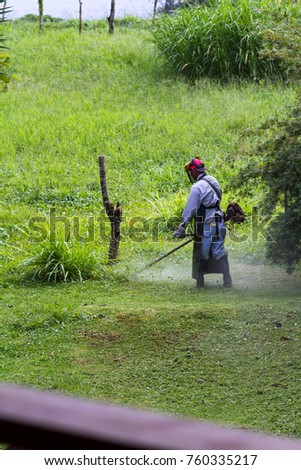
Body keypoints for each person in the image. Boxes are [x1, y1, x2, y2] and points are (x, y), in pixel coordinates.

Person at [172, 158, 232, 288]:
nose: (191, 175)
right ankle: (227, 280)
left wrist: (182, 226)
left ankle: (200, 282)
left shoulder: (196, 187)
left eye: (190, 172)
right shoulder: (213, 180)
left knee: (203, 253)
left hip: (206, 224)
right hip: (218, 221)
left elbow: (190, 209)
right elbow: (218, 198)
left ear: (193, 171)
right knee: (218, 252)